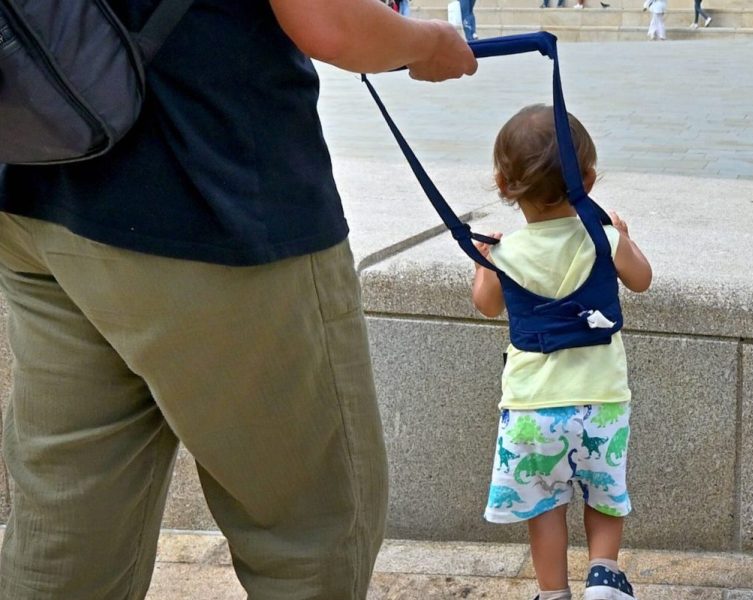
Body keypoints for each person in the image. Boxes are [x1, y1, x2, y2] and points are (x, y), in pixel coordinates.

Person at [0, 1, 477, 599]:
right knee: (310, 534)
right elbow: (330, 23)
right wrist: (429, 42)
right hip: (215, 199)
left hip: (38, 184)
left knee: (67, 536)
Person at [472, 105, 652, 600]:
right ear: (588, 179)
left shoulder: (507, 251)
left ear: (503, 185)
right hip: (602, 401)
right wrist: (624, 239)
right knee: (606, 496)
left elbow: (486, 306)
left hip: (532, 407)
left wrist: (486, 262)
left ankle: (553, 593)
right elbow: (642, 280)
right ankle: (604, 575)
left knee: (546, 509)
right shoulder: (604, 239)